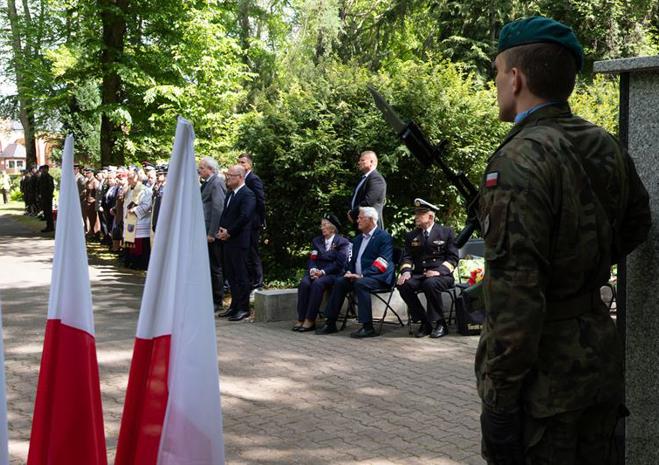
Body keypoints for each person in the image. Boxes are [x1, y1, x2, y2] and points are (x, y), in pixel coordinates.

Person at [476, 16, 651, 465]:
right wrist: (582, 264)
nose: (496, 83)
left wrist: (499, 403)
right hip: (599, 361)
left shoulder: (518, 159)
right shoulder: (604, 144)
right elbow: (637, 222)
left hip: (546, 385)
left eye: (498, 72)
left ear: (516, 78)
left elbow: (515, 296)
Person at [316, 206, 394, 338]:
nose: (357, 220)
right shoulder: (358, 239)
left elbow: (382, 263)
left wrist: (361, 275)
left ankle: (367, 327)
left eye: (360, 218)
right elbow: (351, 261)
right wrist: (349, 272)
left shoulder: (383, 237)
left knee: (361, 283)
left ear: (371, 220)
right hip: (357, 276)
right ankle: (330, 323)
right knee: (340, 282)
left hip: (378, 277)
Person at [397, 198, 458, 338]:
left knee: (430, 284)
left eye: (420, 214)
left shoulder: (446, 232)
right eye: (416, 214)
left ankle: (441, 323)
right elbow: (407, 258)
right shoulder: (411, 235)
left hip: (442, 275)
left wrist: (438, 271)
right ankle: (424, 322)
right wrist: (406, 272)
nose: (416, 217)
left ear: (430, 217)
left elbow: (453, 258)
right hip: (420, 275)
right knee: (403, 284)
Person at [293, 213, 351, 332]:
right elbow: (312, 259)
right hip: (316, 272)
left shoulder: (342, 242)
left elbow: (339, 264)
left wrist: (323, 272)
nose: (322, 228)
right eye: (321, 225)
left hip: (333, 274)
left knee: (317, 284)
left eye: (325, 225)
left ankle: (310, 319)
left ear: (332, 228)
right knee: (304, 283)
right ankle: (301, 318)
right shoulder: (317, 241)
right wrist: (313, 269)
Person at [216, 165, 256, 322]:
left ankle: (243, 308)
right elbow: (226, 214)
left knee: (241, 275)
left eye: (231, 175)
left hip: (239, 241)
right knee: (231, 275)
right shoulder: (230, 193)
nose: (227, 178)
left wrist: (229, 232)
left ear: (240, 177)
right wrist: (221, 229)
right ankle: (234, 306)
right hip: (227, 240)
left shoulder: (247, 194)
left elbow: (244, 217)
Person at [199, 156, 227, 316]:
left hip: (212, 232)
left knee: (215, 267)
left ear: (210, 169)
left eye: (202, 168)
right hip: (205, 230)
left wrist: (212, 233)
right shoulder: (207, 183)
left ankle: (217, 300)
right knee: (209, 266)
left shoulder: (216, 182)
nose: (199, 170)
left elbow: (218, 208)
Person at [238, 153, 265, 289]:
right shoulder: (241, 179)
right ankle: (250, 281)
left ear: (249, 165)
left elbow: (260, 200)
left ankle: (258, 282)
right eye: (238, 162)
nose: (240, 164)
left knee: (253, 252)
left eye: (242, 162)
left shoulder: (254, 179)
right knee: (246, 252)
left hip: (253, 222)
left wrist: (261, 219)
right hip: (244, 222)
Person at [347, 150, 386, 229]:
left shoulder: (376, 178)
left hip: (371, 225)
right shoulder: (364, 179)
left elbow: (368, 202)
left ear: (371, 162)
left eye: (362, 160)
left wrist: (352, 213)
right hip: (361, 222)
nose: (359, 163)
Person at [123, 169, 152, 269]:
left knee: (140, 244)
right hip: (129, 221)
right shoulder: (128, 189)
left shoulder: (145, 190)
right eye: (128, 178)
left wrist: (135, 210)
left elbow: (147, 205)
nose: (129, 180)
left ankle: (140, 263)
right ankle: (131, 261)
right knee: (130, 242)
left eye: (131, 178)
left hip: (140, 221)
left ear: (137, 178)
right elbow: (126, 203)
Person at [82, 168, 101, 240]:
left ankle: (96, 235)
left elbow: (98, 193)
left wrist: (97, 203)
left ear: (92, 173)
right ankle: (91, 233)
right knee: (90, 219)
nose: (86, 174)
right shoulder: (88, 181)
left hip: (93, 203)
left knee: (94, 220)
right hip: (87, 203)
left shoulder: (95, 181)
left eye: (88, 173)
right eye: (86, 173)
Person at [37, 165, 55, 233]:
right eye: (42, 169)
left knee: (48, 212)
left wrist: (47, 195)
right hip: (43, 197)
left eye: (44, 169)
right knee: (46, 212)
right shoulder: (42, 177)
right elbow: (40, 187)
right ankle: (49, 226)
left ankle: (50, 227)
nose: (42, 170)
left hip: (47, 198)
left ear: (47, 170)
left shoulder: (48, 177)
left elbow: (51, 188)